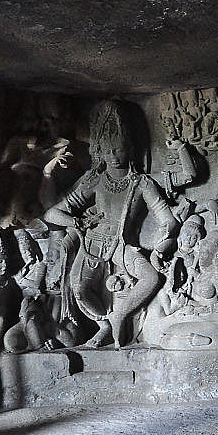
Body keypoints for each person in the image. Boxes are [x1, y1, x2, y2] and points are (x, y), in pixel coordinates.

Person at [43, 101, 177, 349]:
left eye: (118, 150)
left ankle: (119, 315)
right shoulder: (94, 180)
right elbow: (52, 214)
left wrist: (161, 245)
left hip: (122, 245)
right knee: (80, 289)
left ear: (130, 149)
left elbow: (167, 219)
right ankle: (104, 325)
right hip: (93, 243)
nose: (114, 157)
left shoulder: (142, 183)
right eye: (108, 151)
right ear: (100, 152)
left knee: (151, 278)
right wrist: (77, 221)